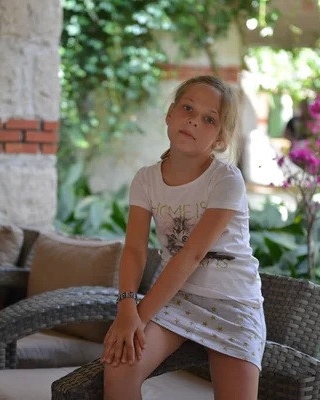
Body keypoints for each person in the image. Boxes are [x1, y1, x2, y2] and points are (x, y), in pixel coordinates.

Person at [101, 75, 265, 400]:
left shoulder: (226, 180)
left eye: (208, 119)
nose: (193, 120)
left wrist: (139, 318)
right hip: (177, 299)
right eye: (188, 108)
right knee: (119, 369)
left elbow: (190, 256)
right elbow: (134, 250)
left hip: (232, 303)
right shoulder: (146, 180)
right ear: (170, 114)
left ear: (219, 139)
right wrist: (126, 309)